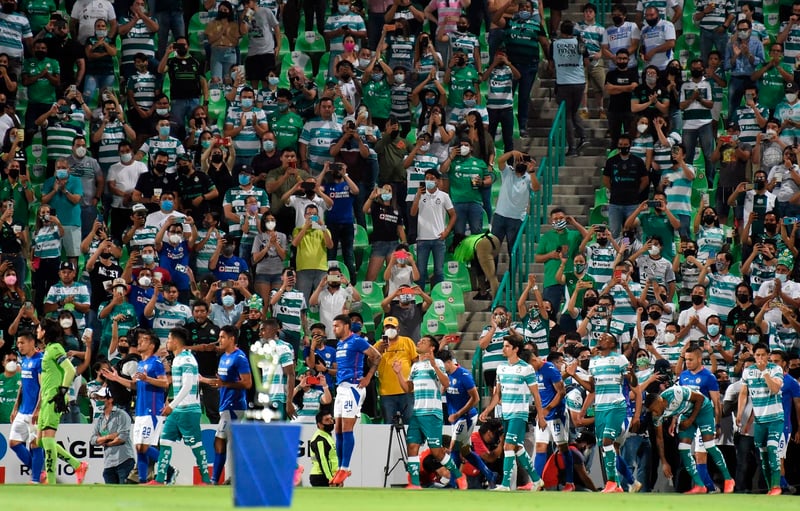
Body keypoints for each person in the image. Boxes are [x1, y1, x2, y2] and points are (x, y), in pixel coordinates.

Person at [394, 335, 467, 489]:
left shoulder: (438, 363)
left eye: (424, 341)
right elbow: (408, 388)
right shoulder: (415, 366)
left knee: (436, 452)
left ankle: (459, 475)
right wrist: (398, 373)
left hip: (432, 413)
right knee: (412, 447)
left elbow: (446, 383)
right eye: (419, 340)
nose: (419, 342)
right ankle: (414, 483)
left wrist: (434, 365)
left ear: (432, 348)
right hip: (417, 412)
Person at [101, 328, 167, 484]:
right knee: (139, 448)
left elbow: (164, 382)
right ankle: (143, 481)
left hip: (152, 410)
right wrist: (116, 378)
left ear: (151, 345)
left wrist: (148, 379)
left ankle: (169, 470)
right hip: (140, 410)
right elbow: (135, 385)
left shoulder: (155, 362)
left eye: (144, 339)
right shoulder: (141, 364)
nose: (140, 341)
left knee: (144, 447)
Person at [478, 336, 544, 492]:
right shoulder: (501, 368)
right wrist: (487, 410)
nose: (503, 349)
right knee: (517, 447)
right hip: (506, 414)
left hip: (519, 414)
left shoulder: (526, 369)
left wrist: (540, 416)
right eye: (504, 346)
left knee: (508, 447)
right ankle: (537, 480)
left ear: (516, 349)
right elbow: (497, 395)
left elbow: (536, 394)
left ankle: (506, 485)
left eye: (507, 346)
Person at [148, 327, 212, 485]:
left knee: (196, 445)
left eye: (169, 339)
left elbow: (188, 385)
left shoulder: (187, 359)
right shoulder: (177, 359)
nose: (167, 342)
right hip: (177, 409)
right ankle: (160, 479)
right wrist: (171, 403)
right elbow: (179, 386)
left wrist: (172, 405)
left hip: (188, 409)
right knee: (165, 441)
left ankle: (206, 480)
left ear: (175, 341)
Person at [646, 384, 735, 494]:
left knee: (709, 445)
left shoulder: (675, 392)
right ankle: (700, 485)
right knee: (683, 448)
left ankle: (728, 479)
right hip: (687, 414)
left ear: (659, 400)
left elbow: (700, 398)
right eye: (652, 411)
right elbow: (659, 439)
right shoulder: (656, 415)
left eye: (654, 409)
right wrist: (664, 461)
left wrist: (690, 421)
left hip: (704, 410)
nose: (654, 413)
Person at [328, 314, 381, 486]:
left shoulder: (356, 341)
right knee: (337, 429)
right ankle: (341, 468)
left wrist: (368, 377)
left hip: (354, 388)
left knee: (346, 428)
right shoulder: (340, 344)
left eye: (337, 325)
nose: (334, 328)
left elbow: (377, 356)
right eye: (333, 325)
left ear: (346, 326)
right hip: (341, 388)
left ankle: (345, 467)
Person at [37, 319, 89, 485]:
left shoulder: (55, 348)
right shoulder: (48, 350)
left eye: (39, 328)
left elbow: (70, 369)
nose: (37, 330)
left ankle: (51, 482)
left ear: (44, 331)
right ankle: (77, 464)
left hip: (54, 397)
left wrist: (62, 391)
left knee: (48, 439)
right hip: (47, 398)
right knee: (39, 441)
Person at [200, 325, 252, 485]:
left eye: (222, 337)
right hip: (225, 405)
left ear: (232, 339)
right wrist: (203, 380)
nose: (219, 340)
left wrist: (225, 384)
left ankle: (215, 479)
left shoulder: (239, 357)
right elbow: (221, 382)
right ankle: (236, 477)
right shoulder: (223, 357)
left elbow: (247, 383)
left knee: (220, 440)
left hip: (234, 405)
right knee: (230, 443)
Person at [588, 332, 640, 493]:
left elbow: (633, 384)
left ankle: (611, 482)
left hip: (616, 405)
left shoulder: (620, 359)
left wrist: (631, 374)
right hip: (600, 407)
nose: (601, 338)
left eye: (606, 338)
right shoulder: (593, 361)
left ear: (612, 344)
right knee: (606, 447)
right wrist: (574, 374)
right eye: (601, 337)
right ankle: (617, 484)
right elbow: (591, 388)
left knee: (607, 442)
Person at [737, 342, 784, 496]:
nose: (760, 358)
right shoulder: (748, 371)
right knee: (762, 454)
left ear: (768, 355)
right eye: (758, 355)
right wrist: (739, 413)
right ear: (754, 355)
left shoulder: (775, 369)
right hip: (759, 421)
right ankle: (771, 488)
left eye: (763, 355)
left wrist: (765, 373)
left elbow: (775, 388)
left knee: (772, 448)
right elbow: (744, 393)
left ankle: (776, 486)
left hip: (775, 418)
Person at [530, 351, 574, 491]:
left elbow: (561, 392)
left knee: (562, 447)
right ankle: (537, 482)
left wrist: (547, 409)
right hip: (543, 414)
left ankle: (570, 482)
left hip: (556, 414)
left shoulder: (549, 369)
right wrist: (540, 412)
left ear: (534, 359)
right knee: (540, 447)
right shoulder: (533, 372)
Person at [8, 332, 45, 484]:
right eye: (18, 343)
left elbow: (44, 388)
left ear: (31, 342)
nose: (19, 346)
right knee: (13, 443)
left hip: (34, 411)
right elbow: (22, 386)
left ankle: (35, 479)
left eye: (22, 343)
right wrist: (15, 407)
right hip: (22, 410)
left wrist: (38, 409)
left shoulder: (41, 360)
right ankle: (40, 473)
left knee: (35, 444)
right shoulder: (23, 361)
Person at [410, 169, 456, 289]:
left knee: (439, 271)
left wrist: (447, 231)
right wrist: (418, 196)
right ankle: (419, 298)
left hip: (438, 239)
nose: (429, 180)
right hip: (422, 239)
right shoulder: (420, 195)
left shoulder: (444, 196)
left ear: (437, 180)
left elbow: (453, 215)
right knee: (421, 271)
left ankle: (438, 295)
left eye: (432, 178)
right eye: (427, 178)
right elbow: (413, 213)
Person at [552, 20, 587, 157]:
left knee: (566, 115)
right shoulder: (580, 42)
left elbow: (551, 63)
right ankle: (583, 137)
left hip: (563, 83)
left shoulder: (554, 44)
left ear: (561, 31)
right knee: (573, 112)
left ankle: (572, 148)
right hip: (579, 82)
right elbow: (586, 61)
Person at [374, 315, 417, 424]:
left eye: (392, 327)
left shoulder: (407, 341)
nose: (390, 329)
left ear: (398, 329)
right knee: (389, 424)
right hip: (387, 393)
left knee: (410, 423)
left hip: (406, 390)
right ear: (383, 329)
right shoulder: (378, 345)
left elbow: (416, 361)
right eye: (387, 327)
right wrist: (379, 351)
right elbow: (370, 364)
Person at [604, 134, 649, 237]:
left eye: (625, 144)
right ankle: (618, 252)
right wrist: (614, 190)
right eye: (621, 144)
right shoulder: (611, 161)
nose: (623, 146)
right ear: (617, 145)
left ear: (630, 145)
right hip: (615, 203)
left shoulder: (638, 161)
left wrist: (637, 191)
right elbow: (606, 179)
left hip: (632, 204)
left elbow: (645, 180)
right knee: (614, 232)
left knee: (633, 231)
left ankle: (635, 251)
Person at [90, 386, 136, 485]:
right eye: (97, 398)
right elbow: (93, 440)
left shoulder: (121, 415)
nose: (98, 400)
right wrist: (108, 437)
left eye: (101, 398)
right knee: (110, 496)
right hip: (108, 463)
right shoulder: (100, 419)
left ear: (110, 399)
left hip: (124, 460)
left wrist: (104, 443)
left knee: (125, 494)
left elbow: (122, 438)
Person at [309, 411, 338, 487]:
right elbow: (323, 460)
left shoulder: (326, 436)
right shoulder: (320, 439)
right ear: (320, 424)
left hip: (328, 476)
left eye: (331, 419)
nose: (331, 421)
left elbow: (332, 458)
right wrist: (330, 479)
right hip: (321, 477)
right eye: (327, 420)